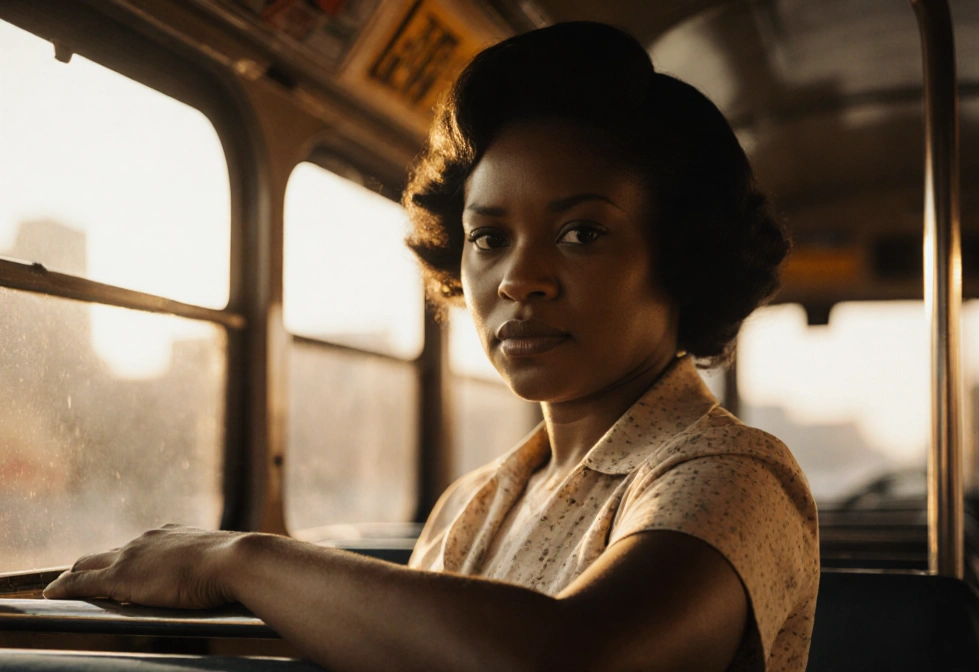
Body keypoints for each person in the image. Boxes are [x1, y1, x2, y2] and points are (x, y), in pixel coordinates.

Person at [44, 21, 819, 672]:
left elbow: (574, 656)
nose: (521, 279)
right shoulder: (478, 500)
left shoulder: (734, 476)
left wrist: (237, 558)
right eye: (488, 238)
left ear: (681, 258)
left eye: (581, 233)